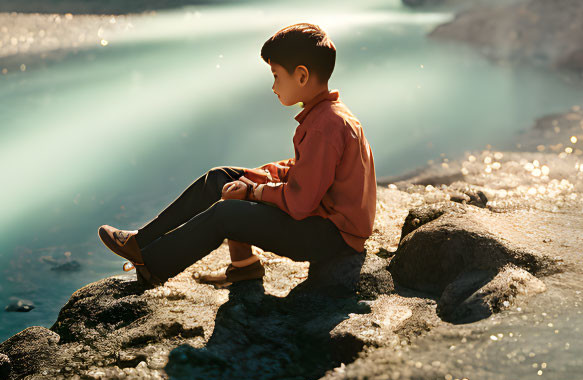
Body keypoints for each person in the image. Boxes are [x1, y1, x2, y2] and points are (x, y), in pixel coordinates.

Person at [98, 22, 376, 288]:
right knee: (221, 178)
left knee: (227, 212)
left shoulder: (324, 127)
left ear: (301, 76)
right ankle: (144, 241)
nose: (273, 86)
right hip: (323, 219)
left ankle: (152, 264)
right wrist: (259, 177)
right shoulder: (328, 115)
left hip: (333, 236)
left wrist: (254, 192)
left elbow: (301, 202)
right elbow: (307, 171)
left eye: (276, 76)